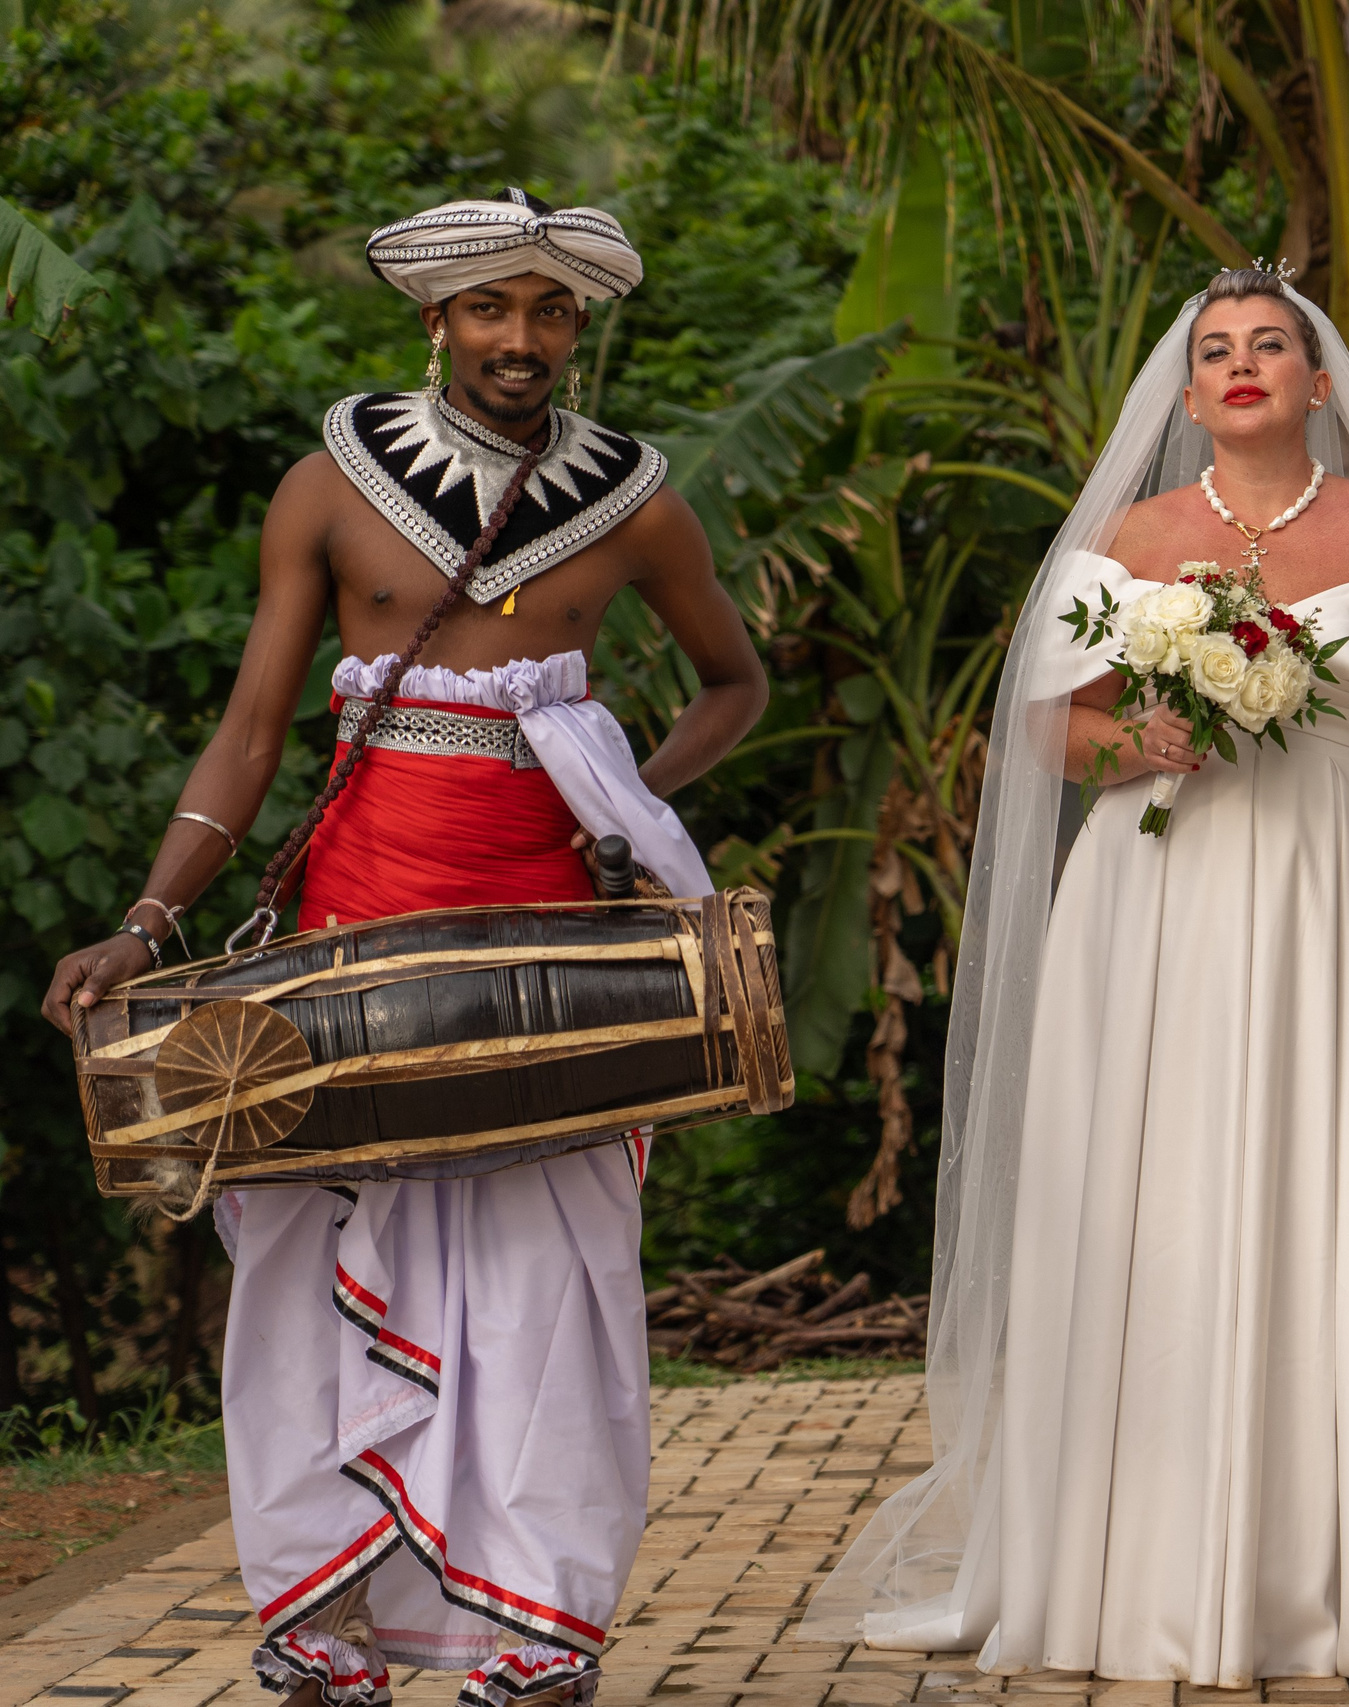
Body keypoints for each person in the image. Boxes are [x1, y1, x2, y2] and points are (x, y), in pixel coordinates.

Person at [795, 266, 1349, 1684]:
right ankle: (1145, 1561)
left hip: (1340, 898)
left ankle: (1341, 1562)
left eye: (1272, 346)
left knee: (1335, 1185)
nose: (1243, 366)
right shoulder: (1132, 535)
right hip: (1156, 908)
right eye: (1216, 351)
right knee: (1154, 1204)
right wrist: (1139, 746)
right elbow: (1055, 732)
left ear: (1316, 383)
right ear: (1186, 395)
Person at [41, 188, 767, 1707]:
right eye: (492, 308)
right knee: (315, 1275)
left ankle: (541, 1633)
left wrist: (623, 814)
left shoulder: (633, 498)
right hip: (346, 947)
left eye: (553, 311)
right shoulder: (327, 485)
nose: (523, 338)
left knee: (544, 1290)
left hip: (545, 957)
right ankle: (322, 1624)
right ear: (435, 320)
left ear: (579, 328)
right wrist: (148, 921)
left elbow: (731, 686)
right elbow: (251, 734)